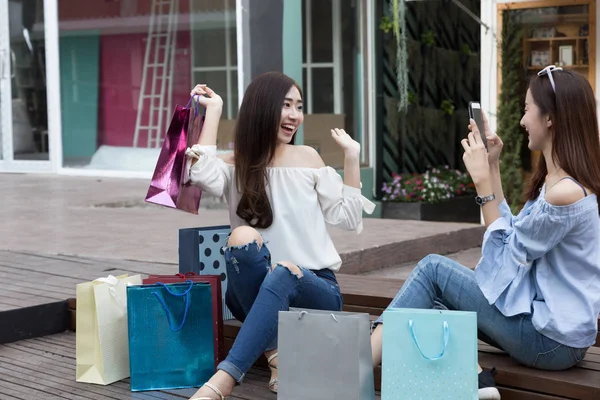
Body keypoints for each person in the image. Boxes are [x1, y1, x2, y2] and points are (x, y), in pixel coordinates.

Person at [370, 66, 600, 400]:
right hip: (553, 334)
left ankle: (353, 367)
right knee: (434, 300)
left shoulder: (564, 194)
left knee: (433, 269)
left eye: (526, 110)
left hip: (550, 343)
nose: (522, 121)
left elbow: (506, 258)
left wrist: (480, 182)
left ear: (549, 118)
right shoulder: (560, 184)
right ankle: (479, 381)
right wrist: (492, 166)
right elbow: (512, 236)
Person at [185, 71, 374, 400]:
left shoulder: (308, 159)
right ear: (262, 108)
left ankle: (222, 382)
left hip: (316, 290)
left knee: (284, 270)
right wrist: (213, 111)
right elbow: (200, 173)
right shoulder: (237, 164)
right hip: (258, 295)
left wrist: (351, 157)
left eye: (298, 107)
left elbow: (347, 217)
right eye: (286, 105)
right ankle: (277, 356)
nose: (295, 116)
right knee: (242, 236)